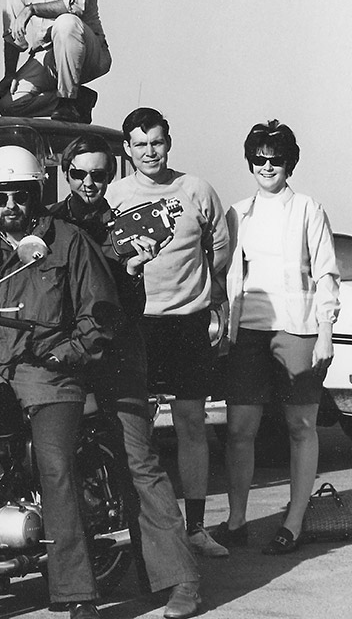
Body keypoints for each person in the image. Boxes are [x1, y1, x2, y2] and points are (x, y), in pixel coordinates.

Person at [0, 144, 118, 619]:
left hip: (49, 378)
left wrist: (66, 353)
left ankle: (77, 592)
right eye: (0, 197)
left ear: (37, 193)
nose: (11, 206)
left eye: (20, 195)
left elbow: (98, 315)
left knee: (53, 466)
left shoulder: (69, 242)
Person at [49, 135, 202, 619]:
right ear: (65, 172)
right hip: (58, 359)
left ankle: (181, 580)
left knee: (140, 463)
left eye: (99, 174)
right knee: (45, 462)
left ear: (110, 174)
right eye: (80, 174)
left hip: (115, 358)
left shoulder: (127, 225)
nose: (90, 183)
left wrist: (133, 270)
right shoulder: (46, 223)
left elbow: (129, 309)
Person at [105, 107, 231, 557]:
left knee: (192, 424)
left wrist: (205, 292)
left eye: (156, 142)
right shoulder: (115, 195)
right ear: (127, 149)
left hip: (188, 324)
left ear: (169, 142)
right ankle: (140, 531)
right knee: (134, 429)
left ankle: (195, 529)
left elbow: (219, 248)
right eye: (140, 145)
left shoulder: (197, 189)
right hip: (138, 325)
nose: (150, 152)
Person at [215, 121, 339, 555]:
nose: (267, 166)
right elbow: (221, 272)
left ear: (290, 163)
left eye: (277, 159)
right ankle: (235, 521)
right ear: (250, 161)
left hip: (298, 329)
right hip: (247, 331)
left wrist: (325, 332)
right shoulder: (236, 212)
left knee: (300, 425)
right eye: (260, 159)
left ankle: (294, 521)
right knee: (238, 429)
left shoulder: (308, 208)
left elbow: (326, 272)